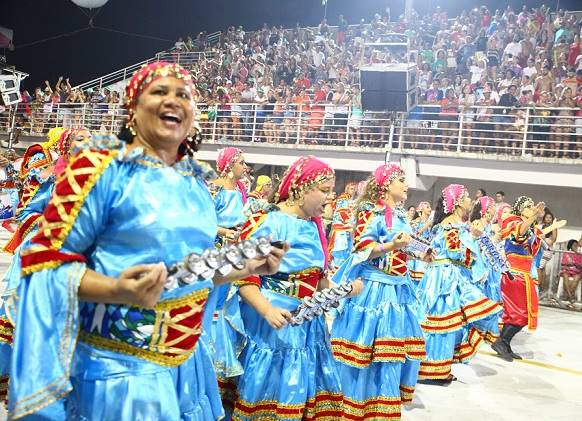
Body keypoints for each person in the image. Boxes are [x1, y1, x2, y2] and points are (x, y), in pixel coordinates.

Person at [5, 62, 286, 420]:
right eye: (159, 92)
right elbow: (41, 264)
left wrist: (245, 267)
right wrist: (114, 289)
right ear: (133, 107)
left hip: (185, 367)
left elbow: (185, 274)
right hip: (118, 370)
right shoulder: (100, 171)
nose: (174, 101)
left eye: (184, 95)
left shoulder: (194, 187)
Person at [231, 156, 359, 420]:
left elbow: (319, 279)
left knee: (299, 390)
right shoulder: (270, 222)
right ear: (302, 188)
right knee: (274, 390)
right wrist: (266, 309)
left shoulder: (315, 226)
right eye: (324, 191)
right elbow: (245, 277)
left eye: (331, 191)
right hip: (276, 323)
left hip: (309, 325)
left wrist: (341, 290)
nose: (330, 198)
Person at [330, 164, 427, 419]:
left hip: (397, 289)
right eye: (402, 180)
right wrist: (391, 245)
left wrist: (420, 250)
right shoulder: (369, 212)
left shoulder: (401, 214)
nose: (407, 185)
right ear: (386, 185)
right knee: (365, 351)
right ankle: (353, 406)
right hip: (374, 289)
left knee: (389, 354)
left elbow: (405, 244)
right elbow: (362, 249)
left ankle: (380, 408)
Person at [417, 184, 501, 383]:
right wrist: (473, 241)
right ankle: (431, 370)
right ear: (456, 203)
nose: (470, 200)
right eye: (466, 197)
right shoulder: (450, 224)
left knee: (451, 323)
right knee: (441, 323)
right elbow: (456, 252)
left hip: (451, 275)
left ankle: (441, 367)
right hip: (442, 279)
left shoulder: (459, 224)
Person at [206, 146, 251, 402]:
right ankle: (213, 361)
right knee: (217, 307)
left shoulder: (242, 190)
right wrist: (227, 233)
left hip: (238, 253)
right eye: (242, 163)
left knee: (233, 304)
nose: (245, 167)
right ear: (229, 164)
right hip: (220, 254)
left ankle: (228, 365)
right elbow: (205, 221)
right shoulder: (216, 189)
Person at [492, 196, 546, 362]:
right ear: (520, 210)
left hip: (523, 274)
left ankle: (505, 344)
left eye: (532, 207)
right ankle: (502, 341)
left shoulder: (529, 228)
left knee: (517, 314)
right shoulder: (514, 222)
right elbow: (519, 233)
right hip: (514, 274)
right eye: (528, 207)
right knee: (520, 314)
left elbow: (533, 248)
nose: (531, 209)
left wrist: (535, 220)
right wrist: (533, 217)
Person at [328, 182, 357, 270]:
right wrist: (351, 222)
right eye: (351, 188)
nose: (353, 191)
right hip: (341, 229)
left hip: (347, 229)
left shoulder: (350, 199)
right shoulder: (343, 198)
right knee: (339, 250)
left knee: (346, 252)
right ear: (347, 189)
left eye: (354, 189)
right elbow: (342, 212)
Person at [409, 201, 433, 285]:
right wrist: (427, 225)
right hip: (418, 252)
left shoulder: (431, 224)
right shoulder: (415, 222)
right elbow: (414, 236)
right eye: (427, 207)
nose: (430, 209)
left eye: (430, 207)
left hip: (427, 252)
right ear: (421, 210)